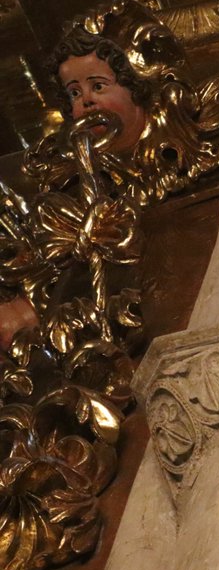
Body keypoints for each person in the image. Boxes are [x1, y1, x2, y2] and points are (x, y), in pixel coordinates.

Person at [0, 27, 151, 348]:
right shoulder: (71, 181)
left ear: (134, 87)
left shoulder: (165, 151)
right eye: (74, 93)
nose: (87, 100)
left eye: (98, 86)